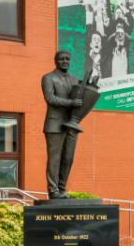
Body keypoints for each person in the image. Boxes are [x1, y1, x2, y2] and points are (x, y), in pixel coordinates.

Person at [42, 49, 99, 199]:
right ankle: (53, 191)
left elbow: (83, 94)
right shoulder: (48, 78)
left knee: (68, 158)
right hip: (54, 125)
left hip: (71, 125)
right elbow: (50, 99)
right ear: (56, 61)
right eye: (61, 59)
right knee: (54, 159)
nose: (65, 61)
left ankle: (62, 189)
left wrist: (91, 85)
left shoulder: (74, 79)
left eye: (67, 59)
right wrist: (71, 102)